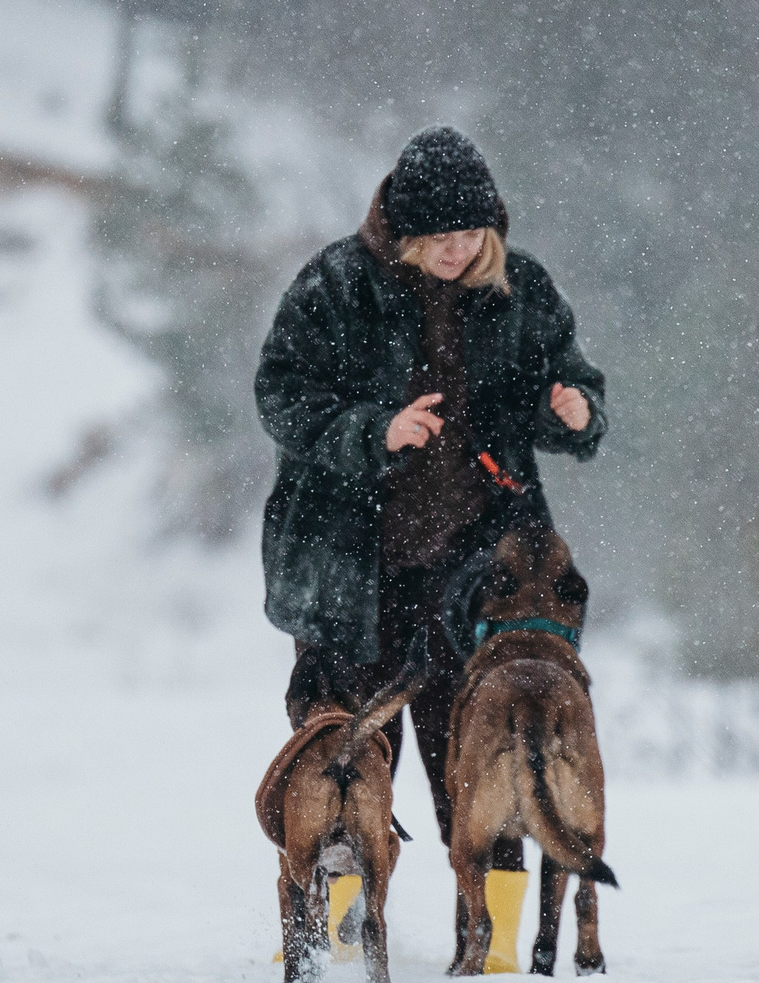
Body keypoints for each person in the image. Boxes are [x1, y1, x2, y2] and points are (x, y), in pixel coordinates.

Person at [254, 126, 608, 869]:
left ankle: (495, 949)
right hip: (351, 568)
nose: (459, 250)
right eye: (442, 236)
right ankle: (341, 935)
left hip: (476, 572)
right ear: (405, 234)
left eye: (473, 232)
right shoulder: (336, 286)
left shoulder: (522, 290)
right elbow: (281, 396)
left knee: (489, 758)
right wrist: (374, 432)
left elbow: (572, 384)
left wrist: (573, 413)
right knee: (348, 759)